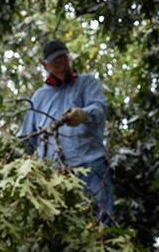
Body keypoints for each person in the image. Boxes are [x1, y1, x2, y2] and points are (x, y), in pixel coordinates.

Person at [19, 38, 114, 224]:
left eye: (64, 58)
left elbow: (100, 109)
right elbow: (28, 138)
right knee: (64, 224)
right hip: (55, 174)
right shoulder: (39, 97)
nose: (61, 64)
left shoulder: (87, 83)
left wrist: (83, 114)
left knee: (101, 221)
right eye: (56, 61)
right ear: (45, 66)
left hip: (91, 165)